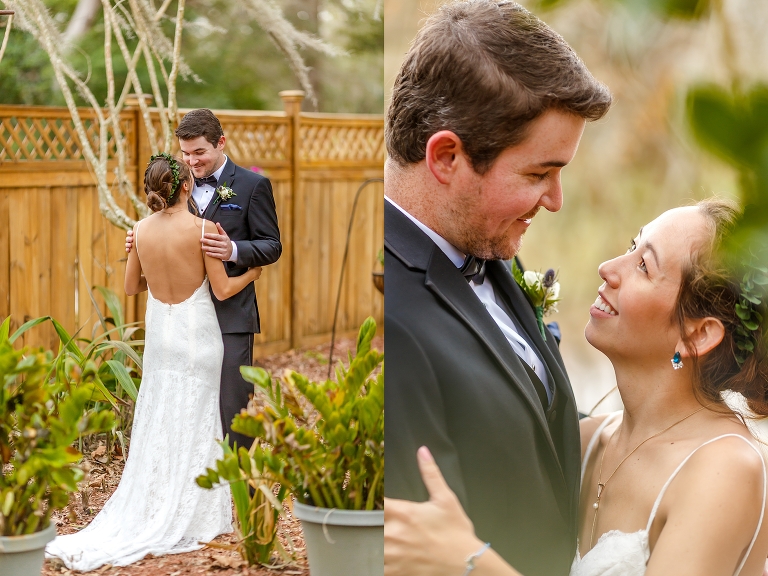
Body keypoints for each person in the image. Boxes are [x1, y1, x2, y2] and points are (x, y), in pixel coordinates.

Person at [385, 198, 768, 576]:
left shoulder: (726, 469)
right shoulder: (585, 443)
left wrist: (468, 560)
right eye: (631, 247)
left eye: (643, 266)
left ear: (698, 334)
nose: (607, 269)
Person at [384, 1, 611, 574]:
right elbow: (420, 552)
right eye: (539, 174)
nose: (556, 200)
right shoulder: (391, 316)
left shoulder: (486, 244)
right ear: (446, 156)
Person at [46, 154, 262, 570]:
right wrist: (251, 274)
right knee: (198, 417)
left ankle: (157, 494)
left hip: (162, 338)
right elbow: (221, 289)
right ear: (184, 187)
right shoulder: (203, 230)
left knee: (161, 414)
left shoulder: (140, 231)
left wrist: (154, 273)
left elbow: (131, 287)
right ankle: (192, 506)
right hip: (198, 337)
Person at [125, 109, 281, 450]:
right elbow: (164, 232)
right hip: (184, 322)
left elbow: (272, 245)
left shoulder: (253, 186)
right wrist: (137, 243)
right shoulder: (175, 183)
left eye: (200, 152)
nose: (192, 161)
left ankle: (242, 490)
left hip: (230, 316)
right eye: (185, 153)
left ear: (220, 143)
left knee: (233, 406)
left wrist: (234, 249)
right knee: (187, 407)